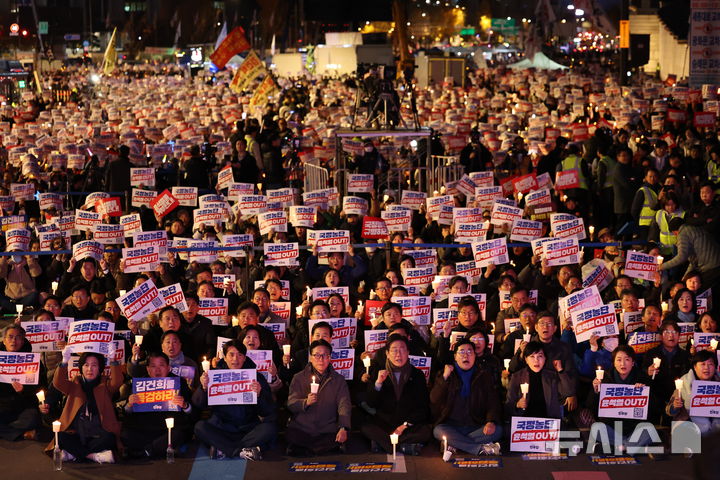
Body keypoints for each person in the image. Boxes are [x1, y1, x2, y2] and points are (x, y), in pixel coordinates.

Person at [194, 340, 275, 460]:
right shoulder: (213, 376)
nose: (235, 359)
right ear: (225, 358)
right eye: (231, 355)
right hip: (221, 428)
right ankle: (242, 451)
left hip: (248, 430)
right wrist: (204, 388)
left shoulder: (256, 377)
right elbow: (199, 404)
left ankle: (224, 449)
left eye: (240, 355)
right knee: (199, 427)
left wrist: (259, 394)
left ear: (244, 358)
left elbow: (267, 410)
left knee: (270, 428)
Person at [430, 340, 502, 458]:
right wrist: (444, 377)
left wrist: (491, 421)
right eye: (461, 352)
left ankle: (453, 444)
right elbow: (434, 399)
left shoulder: (483, 375)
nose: (466, 355)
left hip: (475, 425)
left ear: (475, 356)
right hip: (451, 426)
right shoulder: (446, 374)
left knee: (498, 430)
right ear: (455, 356)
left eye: (470, 352)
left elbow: (493, 402)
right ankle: (479, 448)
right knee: (438, 431)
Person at [47, 350, 123, 463]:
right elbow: (58, 383)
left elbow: (117, 381)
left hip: (99, 433)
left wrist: (112, 360)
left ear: (100, 368)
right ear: (81, 367)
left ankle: (73, 454)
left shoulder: (105, 384)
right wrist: (64, 362)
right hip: (77, 432)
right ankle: (94, 456)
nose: (89, 369)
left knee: (110, 439)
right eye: (86, 365)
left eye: (94, 365)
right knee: (61, 437)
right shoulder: (75, 383)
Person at [361, 335, 432, 455]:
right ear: (387, 354)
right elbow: (371, 403)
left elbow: (422, 407)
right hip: (385, 422)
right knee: (365, 427)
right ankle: (403, 446)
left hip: (407, 425)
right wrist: (378, 383)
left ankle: (385, 444)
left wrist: (405, 425)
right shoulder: (378, 372)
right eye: (394, 350)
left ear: (408, 352)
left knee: (426, 432)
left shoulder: (417, 374)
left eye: (402, 349)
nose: (398, 354)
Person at [286, 339, 351, 456]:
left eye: (324, 355)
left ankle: (310, 449)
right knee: (293, 435)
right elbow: (291, 403)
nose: (320, 359)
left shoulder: (338, 380)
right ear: (310, 357)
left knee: (335, 438)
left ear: (330, 358)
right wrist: (305, 402)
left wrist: (343, 428)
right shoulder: (299, 378)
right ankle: (315, 449)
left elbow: (344, 405)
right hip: (303, 427)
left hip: (327, 428)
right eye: (316, 355)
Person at [122, 351, 193, 458]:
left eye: (161, 365)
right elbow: (126, 412)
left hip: (168, 430)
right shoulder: (140, 384)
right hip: (146, 429)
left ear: (168, 368)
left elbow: (192, 411)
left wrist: (184, 405)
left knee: (178, 434)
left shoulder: (179, 383)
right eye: (153, 366)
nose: (157, 369)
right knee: (126, 434)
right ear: (147, 369)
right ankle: (153, 450)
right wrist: (129, 405)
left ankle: (145, 452)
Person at [587, 345, 653, 453]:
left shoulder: (642, 377)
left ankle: (617, 447)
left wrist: (644, 394)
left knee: (649, 429)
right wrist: (596, 391)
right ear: (613, 363)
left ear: (633, 363)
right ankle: (629, 446)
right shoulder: (604, 379)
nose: (623, 364)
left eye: (627, 359)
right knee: (596, 428)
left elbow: (652, 410)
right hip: (612, 427)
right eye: (619, 360)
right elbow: (591, 406)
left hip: (633, 428)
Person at [505, 341, 574, 419]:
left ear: (545, 358)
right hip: (524, 423)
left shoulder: (552, 376)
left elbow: (569, 392)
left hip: (548, 422)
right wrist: (517, 405)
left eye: (540, 356)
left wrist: (560, 371)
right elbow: (508, 407)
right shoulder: (517, 377)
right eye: (532, 356)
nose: (536, 360)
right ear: (526, 360)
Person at [0, 325, 44, 441]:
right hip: (2, 405)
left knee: (32, 418)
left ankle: (6, 431)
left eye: (18, 337)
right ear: (4, 341)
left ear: (23, 341)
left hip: (24, 406)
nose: (14, 341)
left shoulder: (34, 360)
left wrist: (23, 391)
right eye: (10, 337)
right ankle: (23, 434)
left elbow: (41, 389)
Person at [642, 320, 691, 423]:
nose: (671, 336)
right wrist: (647, 372)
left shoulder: (685, 356)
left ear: (679, 336)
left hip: (678, 399)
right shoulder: (651, 353)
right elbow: (641, 375)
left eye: (674, 333)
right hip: (655, 399)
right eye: (667, 332)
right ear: (661, 335)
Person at [666, 350, 720, 436]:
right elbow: (669, 410)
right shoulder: (684, 383)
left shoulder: (718, 382)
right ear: (695, 367)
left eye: (710, 364)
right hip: (689, 427)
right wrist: (675, 406)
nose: (706, 368)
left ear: (715, 367)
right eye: (702, 364)